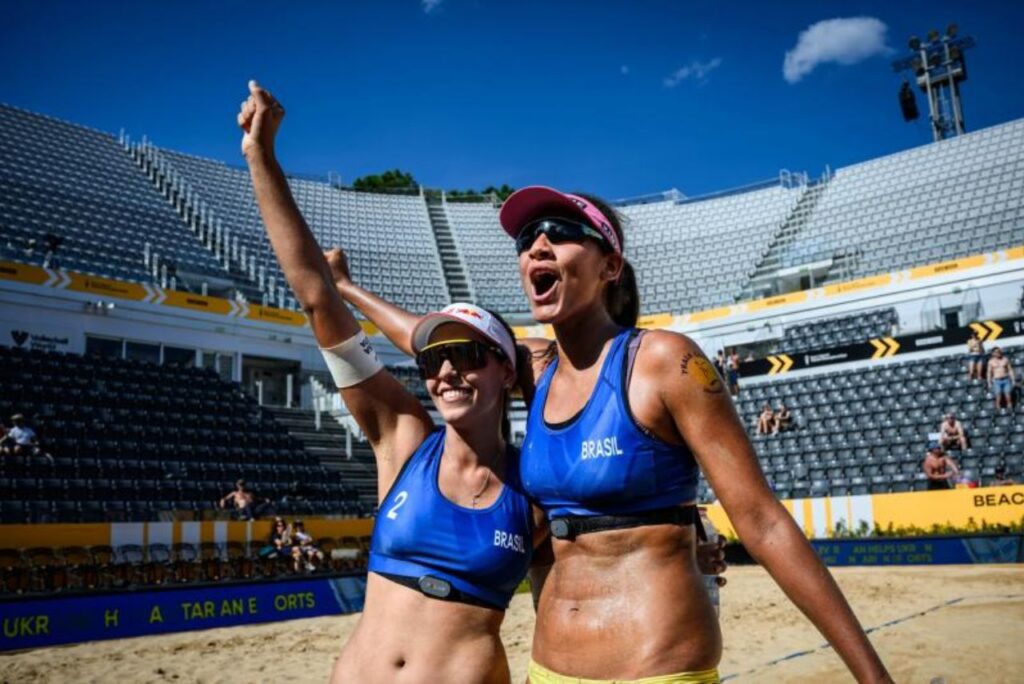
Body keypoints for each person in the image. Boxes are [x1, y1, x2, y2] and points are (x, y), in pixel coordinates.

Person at [330, 182, 887, 681]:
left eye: (562, 233)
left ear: (610, 267)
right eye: (526, 239)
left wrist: (873, 676)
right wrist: (348, 291)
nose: (537, 246)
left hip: (655, 666)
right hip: (548, 670)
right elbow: (438, 340)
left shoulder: (664, 362)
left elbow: (763, 522)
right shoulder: (536, 370)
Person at [239, 81, 537, 683]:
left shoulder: (539, 481)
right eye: (432, 360)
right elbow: (316, 300)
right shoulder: (403, 438)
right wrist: (263, 158)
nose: (446, 370)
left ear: (506, 369)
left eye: (466, 355)